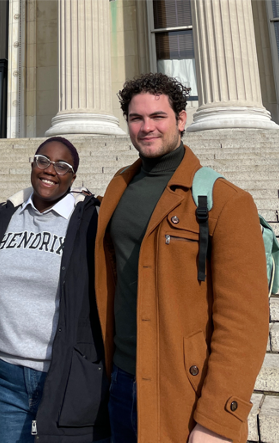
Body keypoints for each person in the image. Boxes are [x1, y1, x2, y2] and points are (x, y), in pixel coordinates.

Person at [95, 73, 269, 442]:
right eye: (136, 118)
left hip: (181, 391)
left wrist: (217, 421)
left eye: (158, 117)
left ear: (181, 119)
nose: (146, 128)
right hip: (120, 381)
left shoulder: (227, 201)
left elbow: (244, 323)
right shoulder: (118, 187)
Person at [0, 137, 110, 443]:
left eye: (62, 165)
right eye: (43, 160)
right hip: (5, 377)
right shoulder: (3, 217)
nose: (50, 170)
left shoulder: (89, 222)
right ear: (32, 164)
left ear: (73, 176)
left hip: (64, 375)